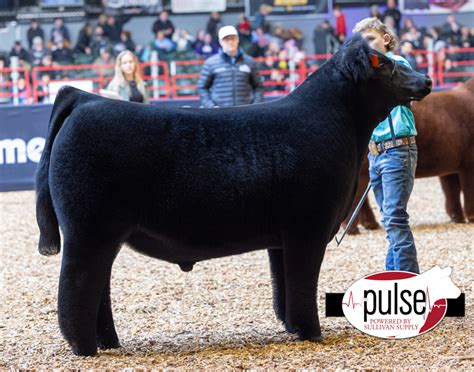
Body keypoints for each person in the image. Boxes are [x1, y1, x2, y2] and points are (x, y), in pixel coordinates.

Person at [353, 17, 422, 273]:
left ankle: (407, 281)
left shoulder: (398, 66)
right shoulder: (368, 71)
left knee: (395, 218)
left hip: (397, 148)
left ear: (386, 38)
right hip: (376, 152)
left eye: (371, 38)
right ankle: (395, 277)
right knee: (390, 219)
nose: (367, 45)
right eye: (362, 42)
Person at [197, 25, 263, 108]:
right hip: (219, 114)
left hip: (245, 113)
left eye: (233, 38)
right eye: (226, 39)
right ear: (220, 42)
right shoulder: (210, 63)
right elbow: (202, 88)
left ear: (238, 39)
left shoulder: (250, 62)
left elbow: (258, 86)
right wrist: (211, 107)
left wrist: (255, 106)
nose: (230, 42)